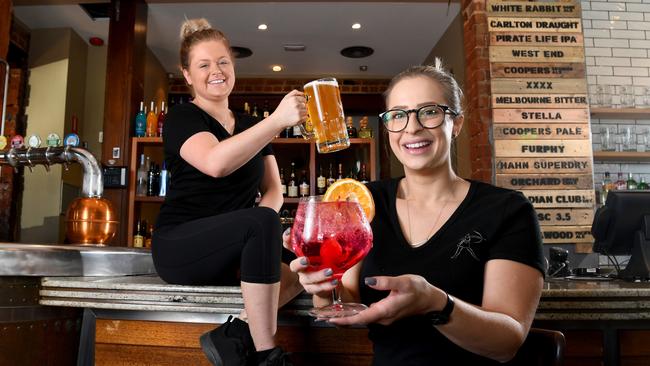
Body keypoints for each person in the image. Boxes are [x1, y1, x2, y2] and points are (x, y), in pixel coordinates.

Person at [288, 60, 545, 365]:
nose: (412, 127)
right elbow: (350, 302)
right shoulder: (367, 202)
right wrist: (323, 287)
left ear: (456, 123)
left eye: (429, 111)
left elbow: (506, 343)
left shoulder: (507, 210)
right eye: (398, 115)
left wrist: (436, 303)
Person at [152, 18, 305, 366]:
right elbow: (215, 162)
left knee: (303, 264)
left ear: (233, 67)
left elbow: (274, 190)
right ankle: (266, 355)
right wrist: (278, 121)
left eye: (223, 62)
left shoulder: (251, 125)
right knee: (261, 223)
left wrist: (263, 236)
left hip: (234, 250)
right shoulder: (182, 118)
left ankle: (235, 333)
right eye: (203, 65)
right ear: (187, 75)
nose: (216, 71)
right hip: (181, 246)